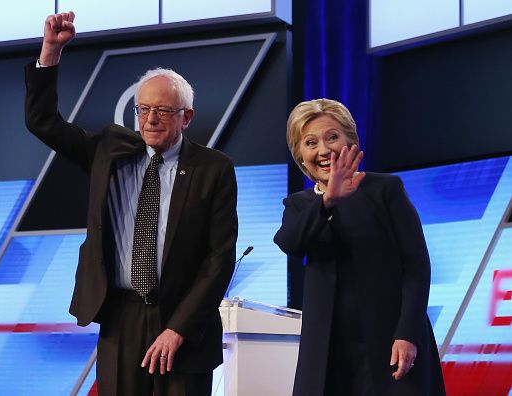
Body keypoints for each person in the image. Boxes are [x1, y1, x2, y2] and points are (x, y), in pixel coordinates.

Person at [25, 12, 238, 396]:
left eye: (164, 111)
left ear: (186, 117)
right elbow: (43, 122)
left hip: (182, 320)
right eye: (144, 109)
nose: (151, 119)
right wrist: (51, 52)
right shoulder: (111, 151)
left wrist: (179, 328)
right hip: (120, 316)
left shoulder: (213, 168)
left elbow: (218, 258)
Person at [274, 99, 445, 395]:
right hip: (328, 352)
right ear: (301, 158)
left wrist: (408, 333)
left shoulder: (385, 190)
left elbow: (416, 266)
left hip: (390, 341)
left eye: (332, 137)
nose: (324, 150)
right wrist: (328, 200)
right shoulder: (300, 205)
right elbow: (289, 242)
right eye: (311, 143)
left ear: (351, 142)